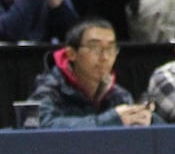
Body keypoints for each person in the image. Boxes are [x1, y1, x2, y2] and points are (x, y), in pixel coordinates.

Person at [27, 18, 158, 128]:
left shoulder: (118, 95)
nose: (105, 57)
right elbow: (38, 125)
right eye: (94, 47)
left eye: (111, 48)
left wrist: (148, 119)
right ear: (71, 54)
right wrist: (111, 120)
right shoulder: (51, 87)